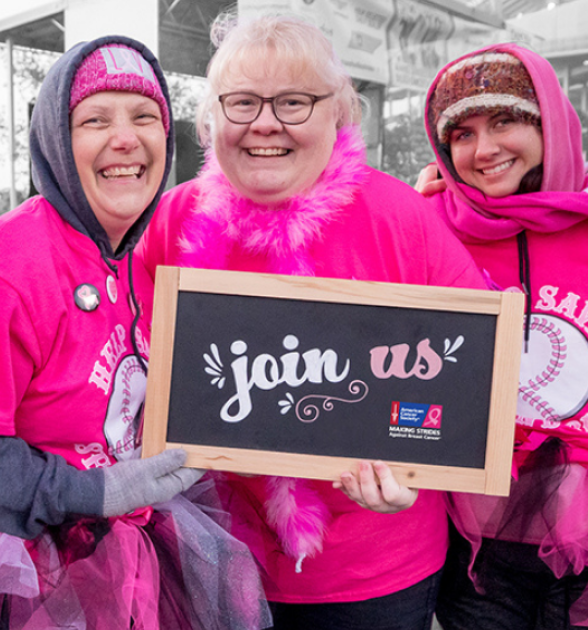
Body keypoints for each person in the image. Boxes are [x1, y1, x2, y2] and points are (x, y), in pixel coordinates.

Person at [0, 36, 271, 630]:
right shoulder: (5, 267)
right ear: (55, 141)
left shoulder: (151, 258)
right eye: (95, 119)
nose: (125, 139)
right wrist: (89, 492)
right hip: (35, 582)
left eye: (145, 116)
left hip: (145, 558)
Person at [139, 14, 487, 630]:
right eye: (242, 102)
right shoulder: (172, 220)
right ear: (213, 118)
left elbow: (473, 377)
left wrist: (420, 467)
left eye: (294, 102)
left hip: (376, 571)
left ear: (338, 114)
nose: (265, 123)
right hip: (214, 554)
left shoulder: (400, 217)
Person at [415, 43, 588, 629]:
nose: (484, 150)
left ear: (550, 123)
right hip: (477, 552)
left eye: (506, 120)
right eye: (461, 134)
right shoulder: (426, 228)